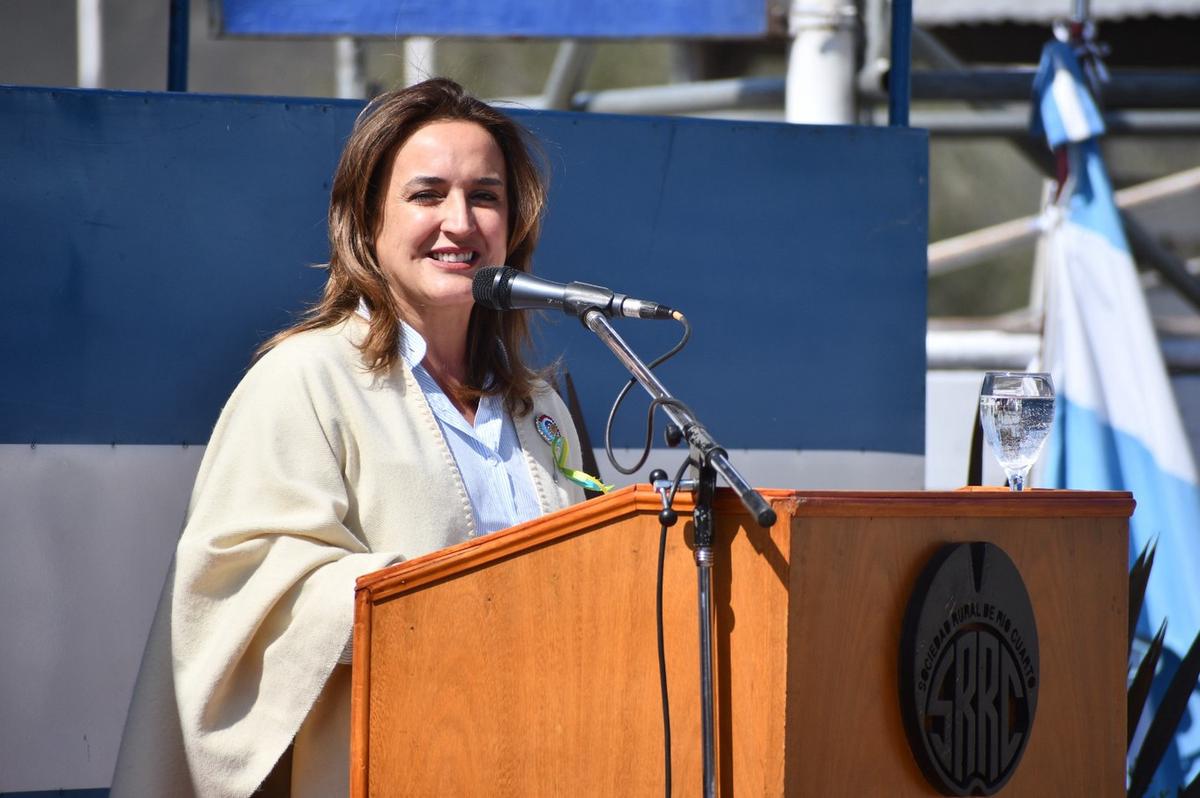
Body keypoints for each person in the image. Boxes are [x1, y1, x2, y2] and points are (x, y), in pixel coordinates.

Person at [110, 78, 594, 798]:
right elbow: (239, 588)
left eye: (485, 196)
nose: (459, 222)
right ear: (365, 222)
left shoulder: (539, 408)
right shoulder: (303, 380)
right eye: (427, 195)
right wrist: (453, 602)